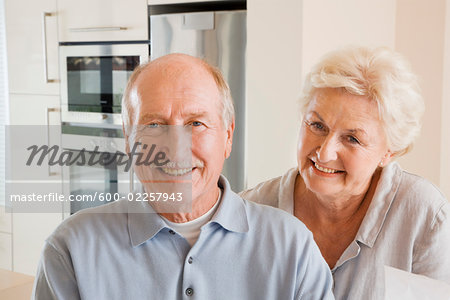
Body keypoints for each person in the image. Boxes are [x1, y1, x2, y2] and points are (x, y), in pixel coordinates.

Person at [32, 54, 334, 299]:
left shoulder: (293, 248)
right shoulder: (70, 249)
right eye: (153, 124)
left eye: (196, 123)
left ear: (227, 137)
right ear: (128, 139)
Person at [240, 46, 450, 299]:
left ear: (389, 153)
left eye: (352, 138)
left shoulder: (425, 217)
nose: (325, 152)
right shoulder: (248, 211)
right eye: (317, 125)